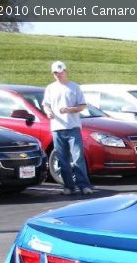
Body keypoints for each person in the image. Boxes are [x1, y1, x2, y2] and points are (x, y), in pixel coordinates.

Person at [42, 61, 95, 195]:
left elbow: (82, 106)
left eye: (60, 72)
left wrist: (69, 110)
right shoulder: (50, 88)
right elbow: (46, 104)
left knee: (78, 158)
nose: (58, 75)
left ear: (66, 71)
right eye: (55, 73)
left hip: (73, 127)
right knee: (62, 159)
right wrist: (48, 112)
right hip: (57, 128)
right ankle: (68, 186)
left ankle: (84, 185)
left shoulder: (74, 87)